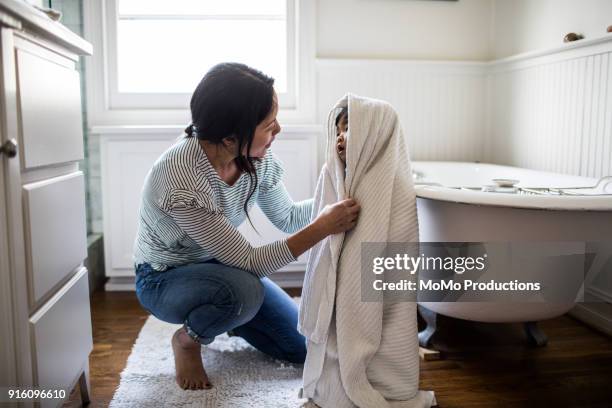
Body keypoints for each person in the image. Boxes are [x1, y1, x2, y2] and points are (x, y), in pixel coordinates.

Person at [132, 63, 361, 391]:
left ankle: (229, 314)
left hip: (219, 266)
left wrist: (344, 193)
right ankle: (188, 339)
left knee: (300, 348)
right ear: (230, 137)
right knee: (245, 291)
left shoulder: (257, 160)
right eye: (269, 124)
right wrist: (325, 226)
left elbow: (288, 218)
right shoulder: (180, 177)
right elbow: (252, 263)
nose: (278, 130)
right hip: (162, 277)